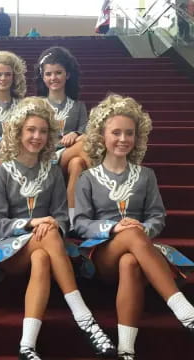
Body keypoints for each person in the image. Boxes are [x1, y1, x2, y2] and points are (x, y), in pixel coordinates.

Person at [0, 97, 116, 360]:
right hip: (10, 249)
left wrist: (52, 223)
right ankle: (85, 318)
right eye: (31, 130)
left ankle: (27, 344)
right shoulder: (1, 172)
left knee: (43, 257)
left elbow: (61, 218)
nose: (37, 136)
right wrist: (35, 223)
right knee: (49, 234)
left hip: (46, 243)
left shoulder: (53, 171)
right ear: (18, 131)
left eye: (43, 131)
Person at [74, 94, 194, 360]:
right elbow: (80, 223)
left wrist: (142, 228)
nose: (123, 139)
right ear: (101, 136)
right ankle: (186, 312)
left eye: (129, 133)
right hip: (102, 254)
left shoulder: (147, 175)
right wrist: (114, 228)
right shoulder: (87, 178)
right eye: (115, 132)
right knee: (128, 234)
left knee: (130, 261)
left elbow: (157, 217)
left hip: (139, 251)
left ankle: (126, 350)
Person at [35, 46, 90, 227]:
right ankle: (103, 196)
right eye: (48, 74)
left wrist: (76, 133)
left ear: (67, 74)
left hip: (69, 157)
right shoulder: (37, 105)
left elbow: (86, 132)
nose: (53, 78)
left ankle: (73, 220)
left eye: (58, 72)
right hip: (45, 156)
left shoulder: (79, 106)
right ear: (42, 77)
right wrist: (66, 141)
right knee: (84, 144)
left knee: (77, 164)